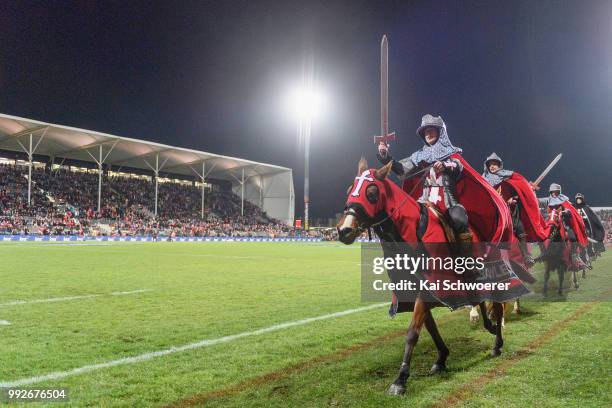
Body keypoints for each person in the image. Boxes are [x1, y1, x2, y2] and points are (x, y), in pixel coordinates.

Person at [377, 114, 512, 246]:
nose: (427, 134)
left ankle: (467, 258)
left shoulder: (451, 153)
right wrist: (386, 157)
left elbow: (457, 166)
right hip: (424, 201)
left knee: (458, 218)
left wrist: (445, 166)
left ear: (440, 132)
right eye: (425, 132)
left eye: (430, 130)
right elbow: (402, 169)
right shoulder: (418, 156)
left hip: (447, 203)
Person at [482, 153, 548, 266]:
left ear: (499, 166)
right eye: (490, 165)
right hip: (494, 212)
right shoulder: (483, 180)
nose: (492, 166)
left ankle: (527, 255)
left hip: (509, 210)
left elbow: (519, 190)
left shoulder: (508, 177)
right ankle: (487, 257)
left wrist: (517, 195)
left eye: (495, 164)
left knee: (519, 228)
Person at [538, 183, 588, 268]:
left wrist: (565, 212)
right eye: (553, 192)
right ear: (550, 192)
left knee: (572, 235)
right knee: (541, 235)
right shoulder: (547, 201)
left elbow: (571, 210)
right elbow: (535, 201)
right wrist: (531, 191)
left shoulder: (564, 201)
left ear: (559, 192)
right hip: (551, 222)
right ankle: (543, 253)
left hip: (563, 223)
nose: (555, 194)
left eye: (557, 192)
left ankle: (575, 256)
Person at [574, 193, 606, 258]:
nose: (578, 200)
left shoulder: (586, 208)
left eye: (580, 199)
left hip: (586, 227)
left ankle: (591, 253)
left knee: (588, 240)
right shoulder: (573, 208)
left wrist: (585, 218)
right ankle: (580, 255)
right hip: (577, 228)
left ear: (582, 200)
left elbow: (593, 217)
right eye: (577, 199)